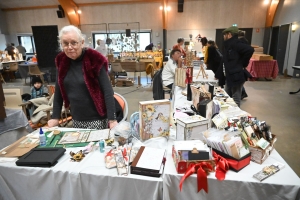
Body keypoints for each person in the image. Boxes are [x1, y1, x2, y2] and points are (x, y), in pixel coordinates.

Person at [48, 25, 118, 130]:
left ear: (82, 42)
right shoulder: (61, 60)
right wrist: (55, 117)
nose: (69, 47)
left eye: (73, 43)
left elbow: (108, 91)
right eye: (65, 44)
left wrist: (112, 120)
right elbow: (58, 91)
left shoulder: (95, 59)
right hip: (76, 118)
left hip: (97, 118)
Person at [221, 26, 254, 107]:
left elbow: (250, 50)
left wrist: (242, 63)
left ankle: (235, 117)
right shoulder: (229, 44)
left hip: (236, 74)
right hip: (230, 74)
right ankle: (228, 114)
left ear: (229, 35)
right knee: (227, 96)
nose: (223, 37)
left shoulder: (236, 43)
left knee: (235, 98)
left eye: (225, 35)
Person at [238, 30, 250, 100]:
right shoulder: (245, 41)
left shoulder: (241, 42)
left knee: (239, 81)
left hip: (239, 63)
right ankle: (243, 92)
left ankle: (243, 93)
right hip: (242, 64)